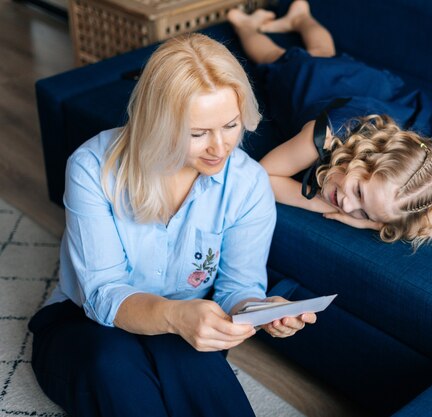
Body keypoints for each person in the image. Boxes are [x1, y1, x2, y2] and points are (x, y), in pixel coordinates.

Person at [27, 33, 315, 417]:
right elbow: (102, 293)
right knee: (115, 366)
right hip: (84, 322)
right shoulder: (92, 168)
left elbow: (238, 288)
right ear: (157, 123)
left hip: (185, 323)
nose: (220, 147)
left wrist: (261, 309)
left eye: (230, 125)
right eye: (197, 134)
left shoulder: (247, 184)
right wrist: (176, 316)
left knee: (197, 366)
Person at [228, 1, 432, 249]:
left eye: (364, 213)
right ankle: (246, 25)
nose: (346, 207)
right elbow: (264, 175)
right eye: (358, 192)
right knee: (279, 59)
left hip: (377, 106)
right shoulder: (324, 135)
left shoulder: (410, 187)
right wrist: (317, 203)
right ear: (364, 158)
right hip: (323, 89)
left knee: (323, 52)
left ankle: (300, 17)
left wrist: (375, 223)